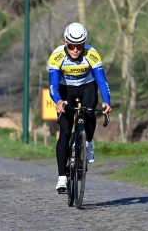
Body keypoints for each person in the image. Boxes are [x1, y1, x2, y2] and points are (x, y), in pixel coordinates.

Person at [47, 22, 112, 191]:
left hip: (87, 87)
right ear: (65, 43)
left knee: (90, 113)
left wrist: (106, 101)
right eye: (71, 46)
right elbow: (53, 85)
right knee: (65, 131)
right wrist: (59, 102)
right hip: (65, 89)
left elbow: (102, 81)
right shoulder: (56, 56)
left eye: (79, 45)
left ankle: (88, 143)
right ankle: (62, 177)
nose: (75, 49)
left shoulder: (92, 54)